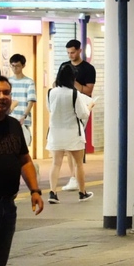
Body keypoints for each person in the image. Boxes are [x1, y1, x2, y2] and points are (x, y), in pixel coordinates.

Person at [0, 74, 43, 266]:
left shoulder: (13, 125)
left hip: (7, 206)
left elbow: (25, 159)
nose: (2, 97)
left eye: (6, 92)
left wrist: (35, 190)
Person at [46, 63, 93, 203]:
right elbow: (83, 114)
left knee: (56, 163)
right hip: (73, 133)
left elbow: (50, 109)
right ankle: (82, 193)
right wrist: (89, 106)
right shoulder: (74, 94)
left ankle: (52, 193)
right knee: (79, 164)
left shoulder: (50, 92)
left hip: (55, 133)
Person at [62, 39, 96, 192]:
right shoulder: (64, 66)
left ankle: (76, 176)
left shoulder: (88, 69)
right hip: (66, 106)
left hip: (82, 105)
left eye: (73, 52)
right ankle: (73, 176)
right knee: (69, 145)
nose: (70, 55)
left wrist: (73, 82)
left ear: (79, 51)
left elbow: (88, 91)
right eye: (68, 53)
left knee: (75, 144)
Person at [8, 55, 36, 148]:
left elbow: (31, 101)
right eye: (12, 66)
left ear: (23, 66)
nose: (14, 68)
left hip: (22, 120)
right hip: (10, 118)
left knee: (22, 147)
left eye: (17, 66)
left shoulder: (29, 82)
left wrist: (24, 116)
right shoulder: (8, 81)